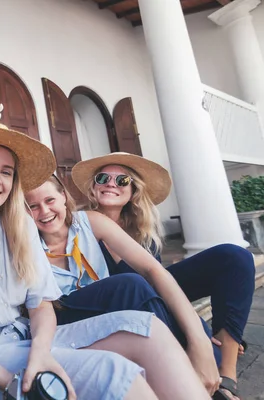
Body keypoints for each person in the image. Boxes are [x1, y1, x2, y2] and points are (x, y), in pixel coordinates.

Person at [0, 122, 209, 400]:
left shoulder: (20, 228)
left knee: (148, 330)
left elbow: (40, 306)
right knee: (111, 370)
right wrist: (11, 383)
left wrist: (41, 353)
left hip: (30, 340)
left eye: (6, 171)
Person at [71, 152, 256, 400]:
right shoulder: (79, 224)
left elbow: (159, 283)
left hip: (153, 299)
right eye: (103, 178)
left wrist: (197, 336)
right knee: (136, 286)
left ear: (133, 191)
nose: (111, 184)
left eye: (122, 180)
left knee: (235, 258)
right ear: (93, 187)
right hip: (116, 307)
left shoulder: (144, 232)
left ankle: (227, 376)